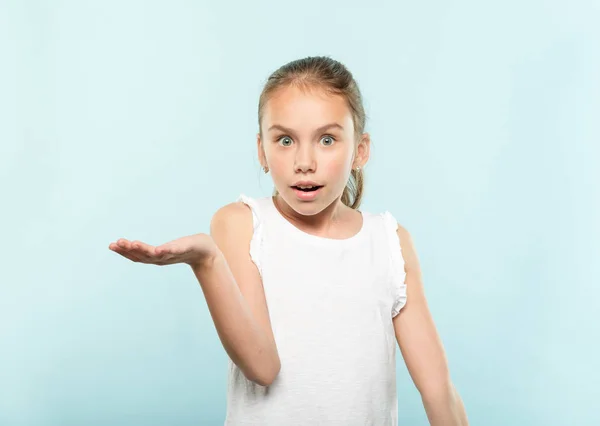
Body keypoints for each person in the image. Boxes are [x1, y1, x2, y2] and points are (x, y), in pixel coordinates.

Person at [108, 56, 469, 425]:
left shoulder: (390, 241)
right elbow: (261, 367)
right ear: (262, 150)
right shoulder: (242, 224)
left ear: (360, 150)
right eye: (284, 140)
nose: (304, 161)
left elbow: (438, 389)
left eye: (327, 139)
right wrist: (207, 262)